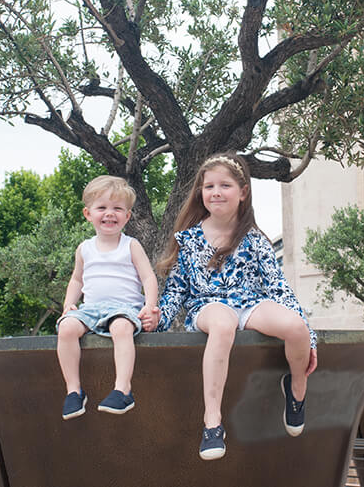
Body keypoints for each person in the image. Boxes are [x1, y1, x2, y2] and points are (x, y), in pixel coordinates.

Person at [153, 153, 318, 460]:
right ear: (201, 193)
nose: (216, 192)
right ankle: (212, 421)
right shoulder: (188, 240)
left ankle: (296, 388)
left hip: (251, 303)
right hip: (207, 306)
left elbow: (278, 288)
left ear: (242, 193)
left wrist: (309, 335)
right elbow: (175, 291)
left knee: (295, 328)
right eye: (209, 186)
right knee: (222, 324)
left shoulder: (254, 240)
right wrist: (157, 321)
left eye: (225, 185)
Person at [56, 175, 159, 420]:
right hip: (91, 309)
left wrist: (150, 305)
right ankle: (73, 391)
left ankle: (122, 389)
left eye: (117, 208)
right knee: (67, 327)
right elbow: (77, 279)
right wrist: (69, 303)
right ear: (88, 214)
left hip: (124, 308)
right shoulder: (84, 248)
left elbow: (148, 278)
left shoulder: (130, 245)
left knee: (122, 328)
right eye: (102, 207)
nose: (109, 213)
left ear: (127, 216)